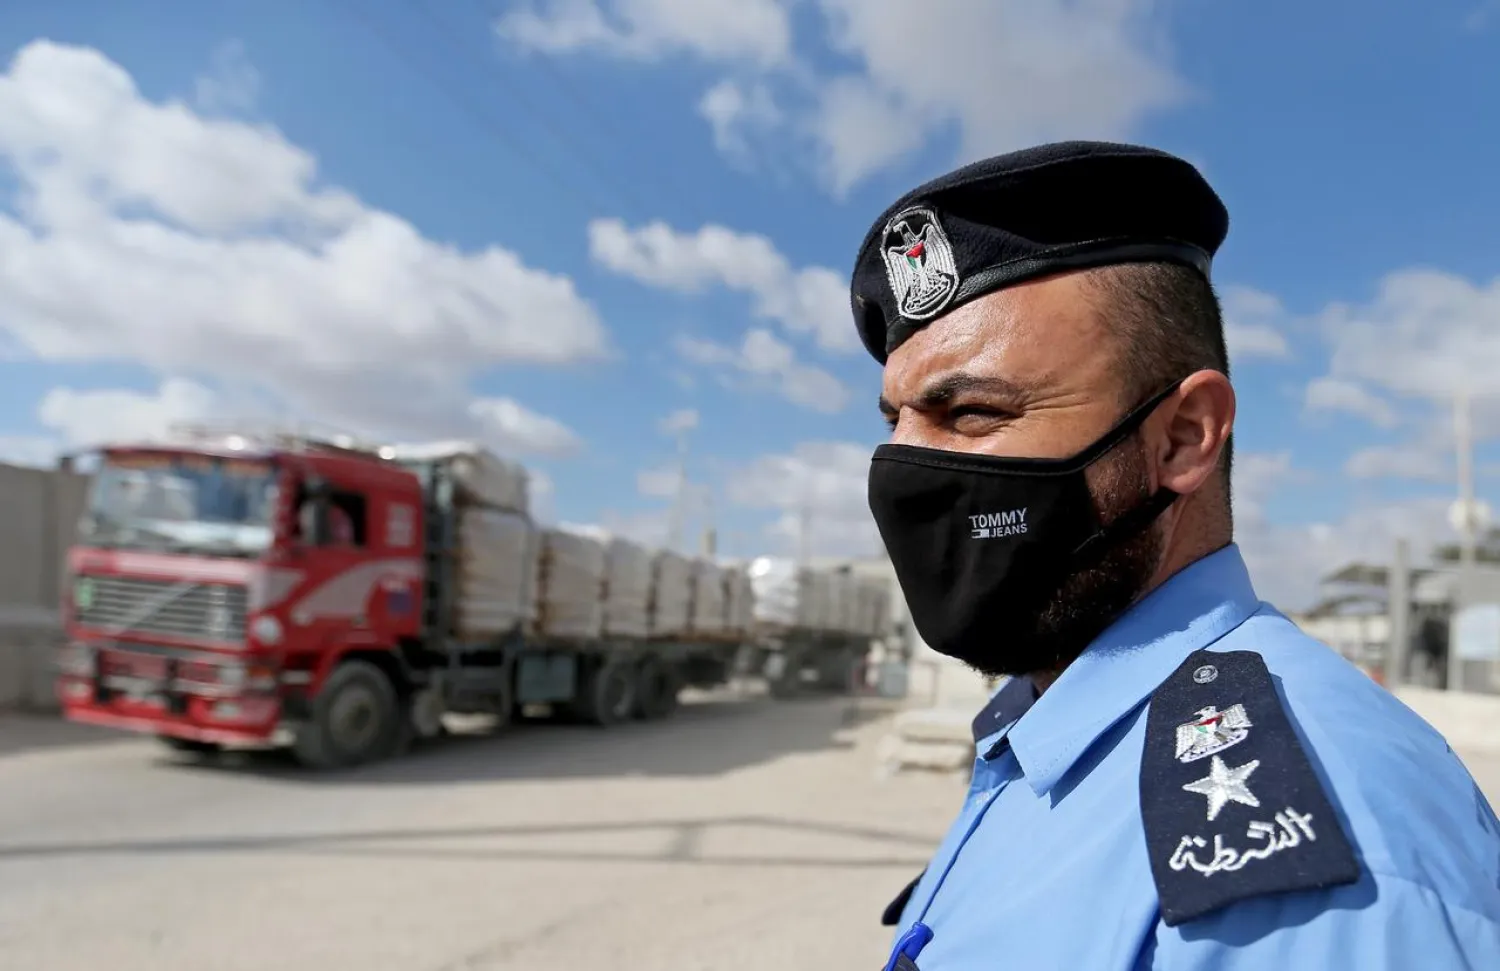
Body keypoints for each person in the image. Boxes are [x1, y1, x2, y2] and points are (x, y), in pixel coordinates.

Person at [855, 141, 1500, 969]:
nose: (904, 470)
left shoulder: (1312, 848)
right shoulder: (1047, 729)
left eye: (972, 412)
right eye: (894, 423)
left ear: (1184, 438)